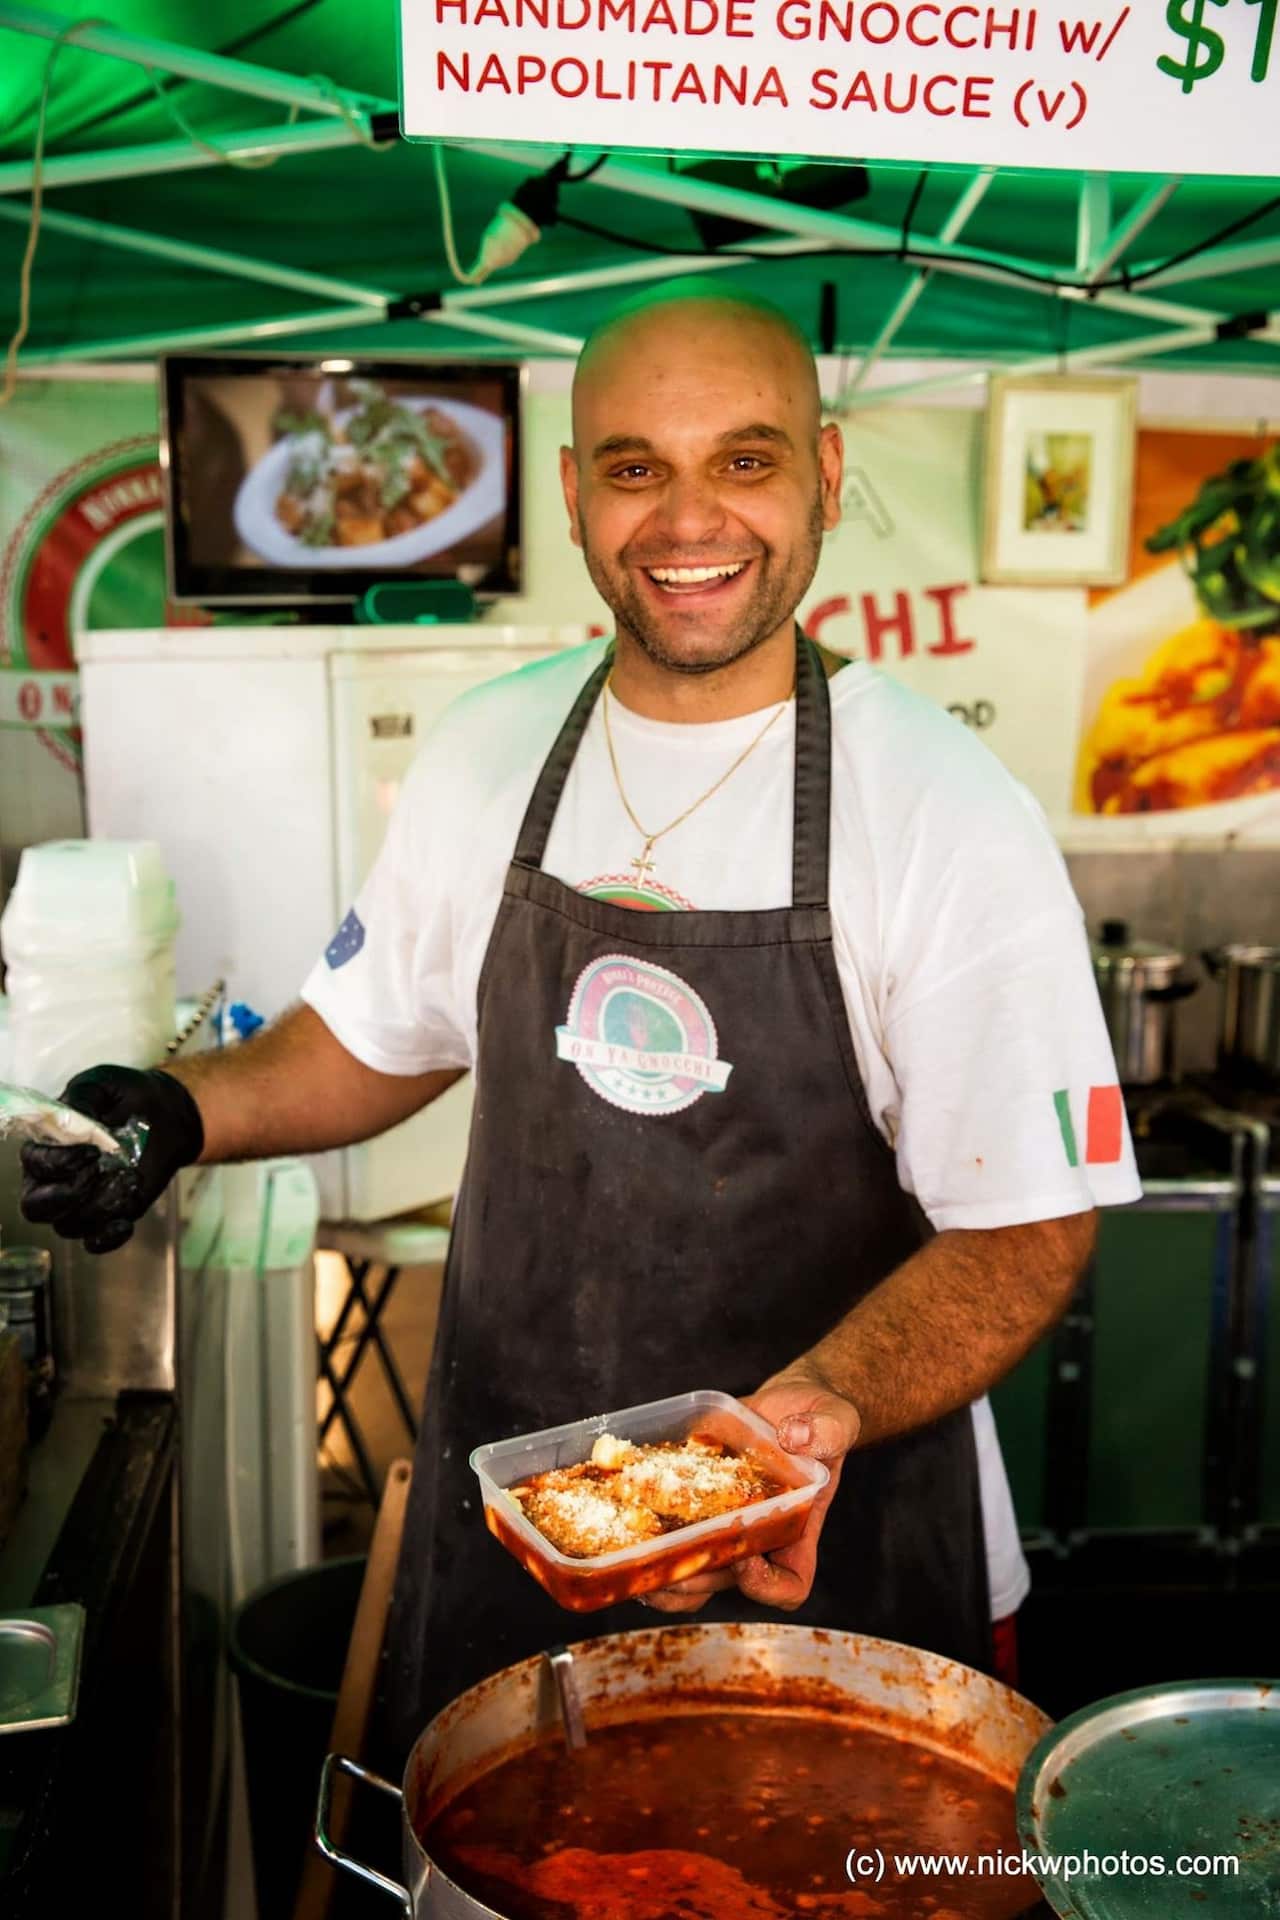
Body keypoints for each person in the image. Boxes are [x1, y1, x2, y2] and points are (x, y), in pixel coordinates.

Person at [21, 284, 1139, 1756]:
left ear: (828, 471)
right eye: (634, 467)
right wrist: (172, 1113)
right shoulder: (492, 752)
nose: (689, 520)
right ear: (570, 491)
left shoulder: (937, 809)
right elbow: (371, 1038)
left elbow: (1032, 1229)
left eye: (744, 460)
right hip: (517, 1525)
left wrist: (798, 1423)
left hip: (825, 1541)